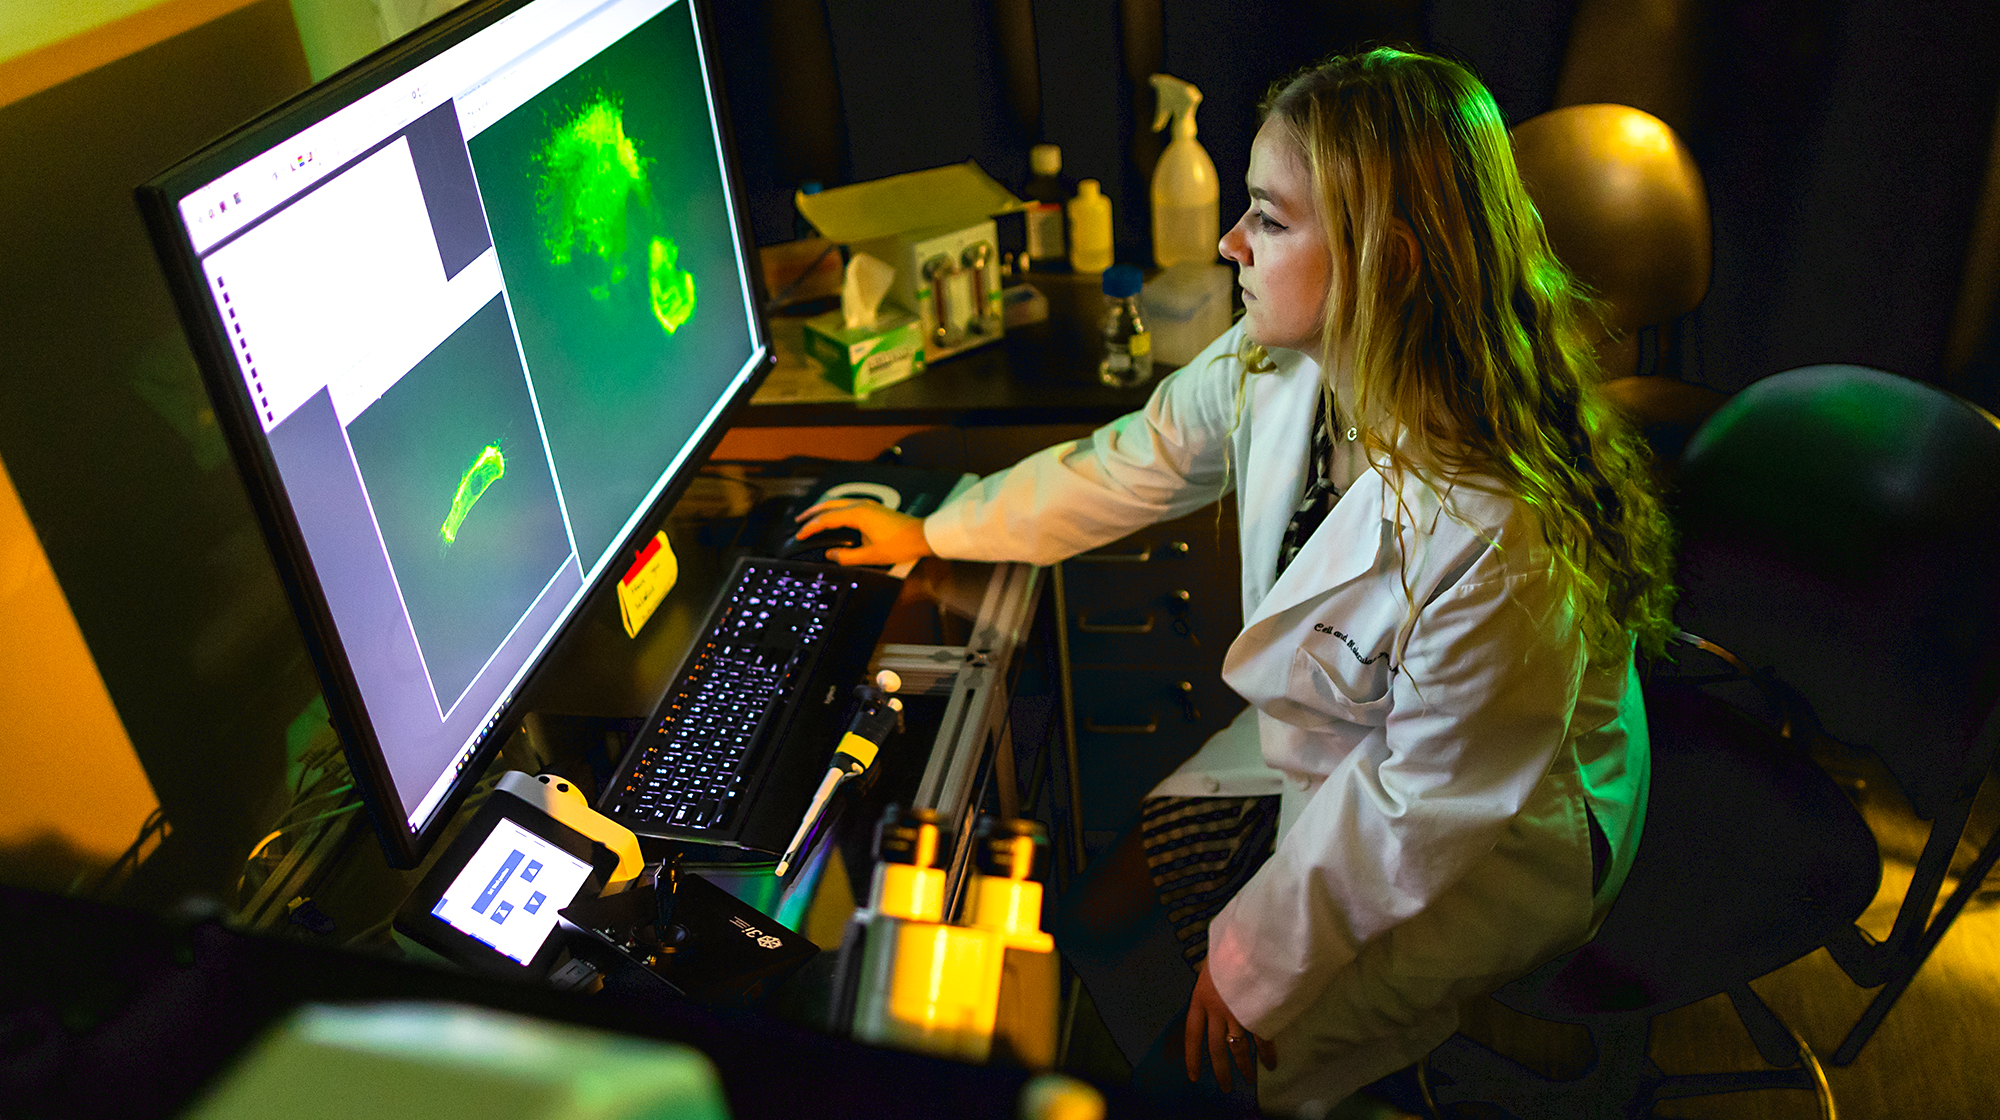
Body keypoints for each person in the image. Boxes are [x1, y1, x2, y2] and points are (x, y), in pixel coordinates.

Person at [796, 47, 1677, 1118]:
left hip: (1493, 836)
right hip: (1353, 753)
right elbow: (1141, 456)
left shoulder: (1496, 526)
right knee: (1089, 922)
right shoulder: (1289, 359)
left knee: (1213, 1065)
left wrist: (1253, 964)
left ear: (1382, 260)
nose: (1228, 244)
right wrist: (934, 530)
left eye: (1266, 216)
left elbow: (1424, 810)